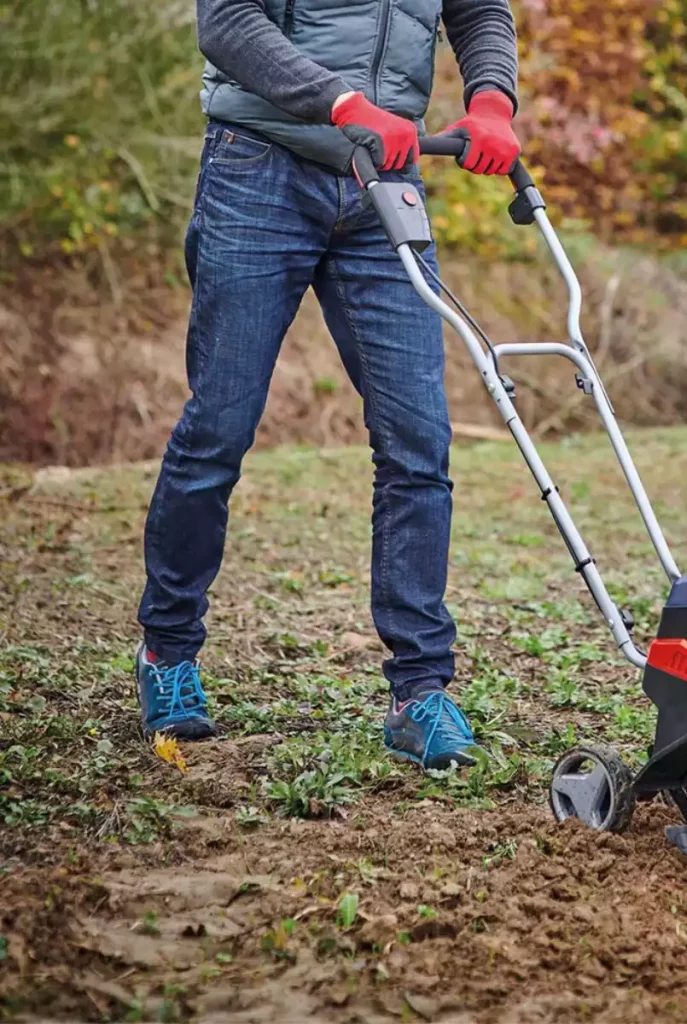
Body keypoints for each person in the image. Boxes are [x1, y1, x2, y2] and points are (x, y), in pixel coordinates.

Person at [134, 0, 520, 769]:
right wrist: (344, 103)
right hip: (260, 169)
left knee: (418, 439)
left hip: (383, 180)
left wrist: (490, 98)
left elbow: (479, 10)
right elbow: (230, 23)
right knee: (219, 428)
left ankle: (419, 691)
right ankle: (167, 653)